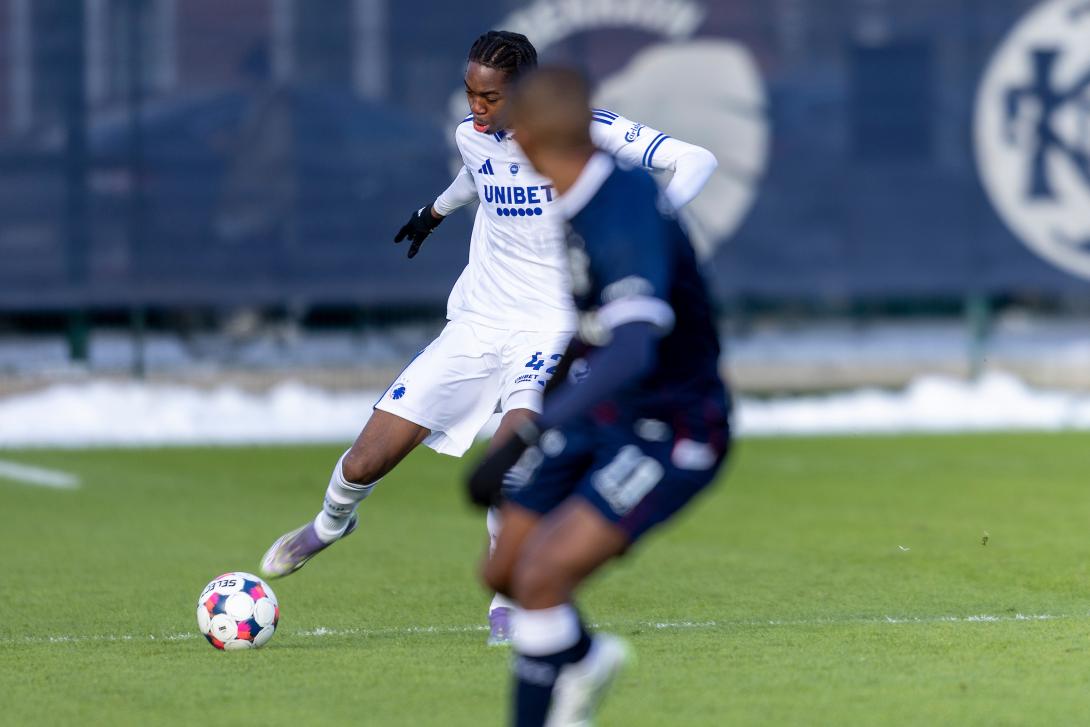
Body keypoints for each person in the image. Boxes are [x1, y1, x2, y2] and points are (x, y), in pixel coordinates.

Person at [259, 30, 719, 646]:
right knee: (365, 460)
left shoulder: (582, 131)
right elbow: (477, 175)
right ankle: (330, 524)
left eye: (491, 97)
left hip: (551, 327)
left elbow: (696, 161)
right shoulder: (473, 134)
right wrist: (434, 212)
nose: (477, 107)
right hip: (479, 320)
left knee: (515, 454)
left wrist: (648, 225)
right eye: (470, 93)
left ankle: (507, 601)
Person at [465, 66, 732, 726]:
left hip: (671, 428)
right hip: (603, 411)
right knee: (503, 571)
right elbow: (591, 333)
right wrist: (542, 412)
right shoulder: (574, 197)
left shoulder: (624, 209)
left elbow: (634, 347)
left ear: (525, 140)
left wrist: (530, 433)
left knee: (541, 575)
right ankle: (584, 658)